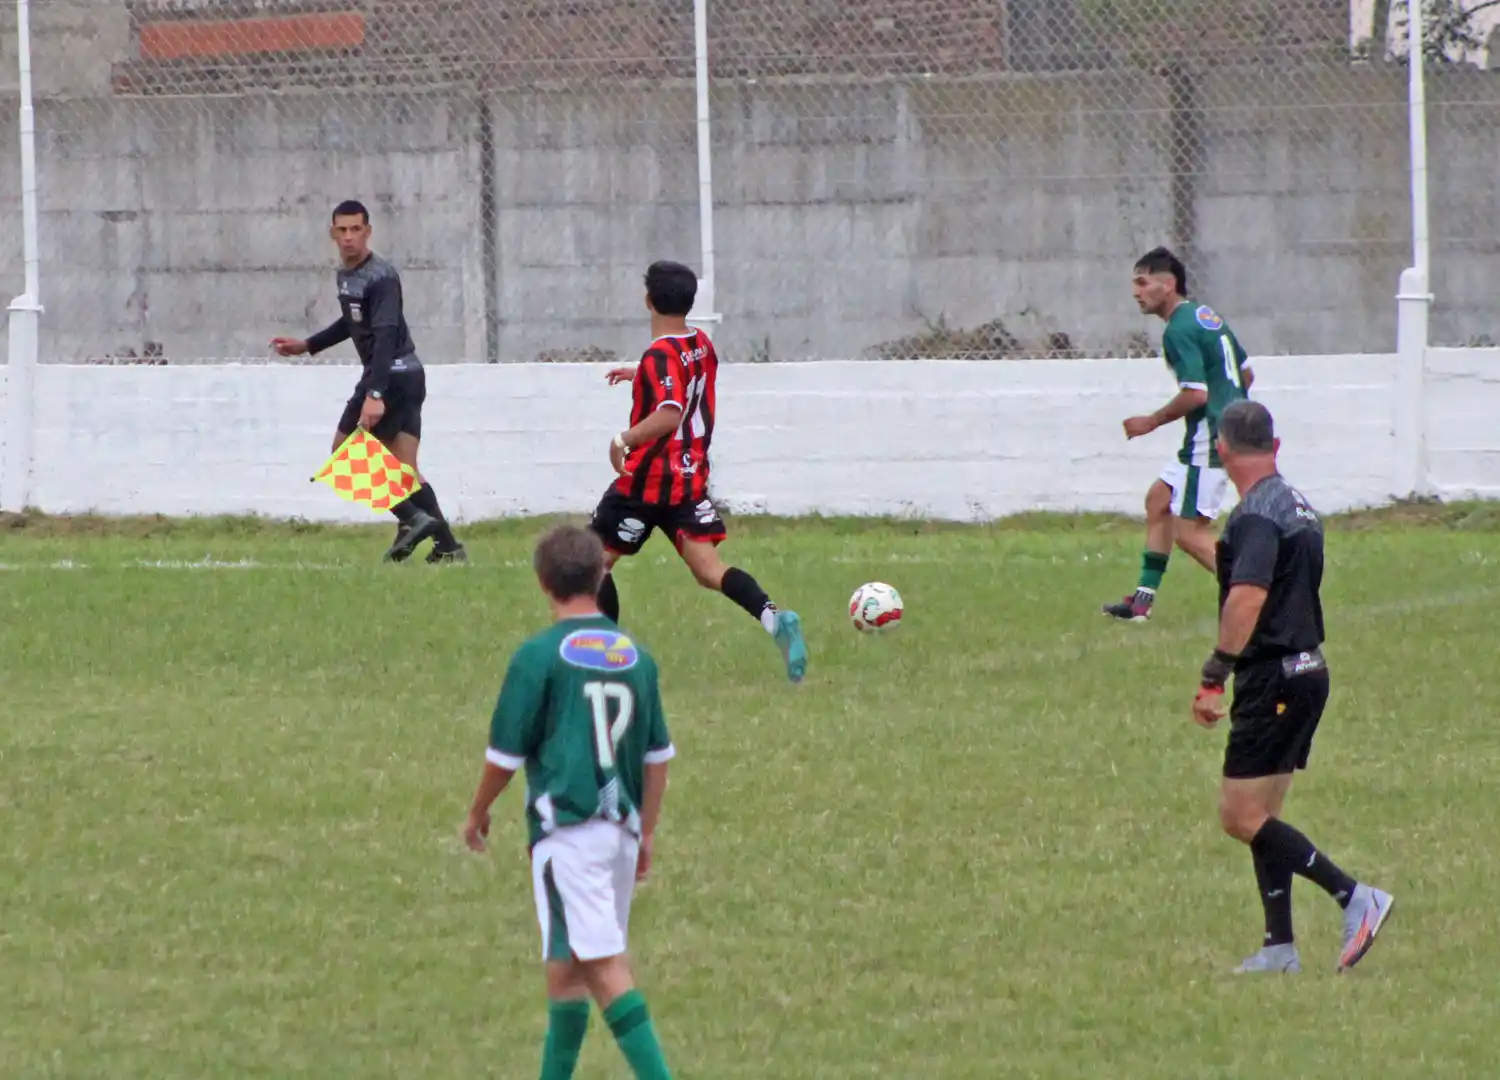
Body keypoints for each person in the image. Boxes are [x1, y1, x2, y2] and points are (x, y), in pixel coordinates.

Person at [463, 524, 677, 1080]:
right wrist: (647, 832)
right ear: (603, 575)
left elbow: (505, 756)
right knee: (567, 970)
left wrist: (478, 810)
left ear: (541, 583)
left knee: (602, 967)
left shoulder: (539, 657)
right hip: (621, 830)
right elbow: (658, 758)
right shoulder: (636, 657)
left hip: (571, 831)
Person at [1192, 400, 1394, 975]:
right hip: (1307, 669)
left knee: (1239, 815)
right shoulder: (1297, 505)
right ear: (1275, 447)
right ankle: (1279, 946)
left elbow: (1249, 595)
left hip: (1273, 674)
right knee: (1264, 814)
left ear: (1223, 450)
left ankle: (1354, 896)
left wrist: (1214, 675)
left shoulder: (1255, 514)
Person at [589, 260, 808, 684]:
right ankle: (773, 619)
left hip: (646, 481)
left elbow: (670, 412)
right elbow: (685, 379)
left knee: (594, 564)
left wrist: (624, 439)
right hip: (688, 481)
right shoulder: (700, 343)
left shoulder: (659, 355)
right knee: (709, 569)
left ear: (648, 301)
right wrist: (640, 374)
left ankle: (606, 662)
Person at [271, 199, 466, 564]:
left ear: (368, 232)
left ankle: (411, 519)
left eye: (356, 230)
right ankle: (448, 547)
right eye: (342, 230)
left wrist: (374, 394)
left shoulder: (382, 276)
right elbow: (353, 322)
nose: (349, 238)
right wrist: (308, 345)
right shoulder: (347, 275)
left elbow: (387, 332)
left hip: (390, 376)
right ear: (332, 233)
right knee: (404, 469)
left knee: (344, 452)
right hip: (407, 376)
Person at [1102, 246, 1253, 621]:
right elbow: (1246, 372)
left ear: (1167, 285)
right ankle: (1142, 601)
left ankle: (1260, 602)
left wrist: (1149, 422)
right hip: (1220, 430)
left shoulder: (1178, 330)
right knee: (1159, 500)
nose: (1136, 292)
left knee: (1189, 533)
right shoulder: (1206, 316)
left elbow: (1196, 393)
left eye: (1142, 282)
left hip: (1210, 438)